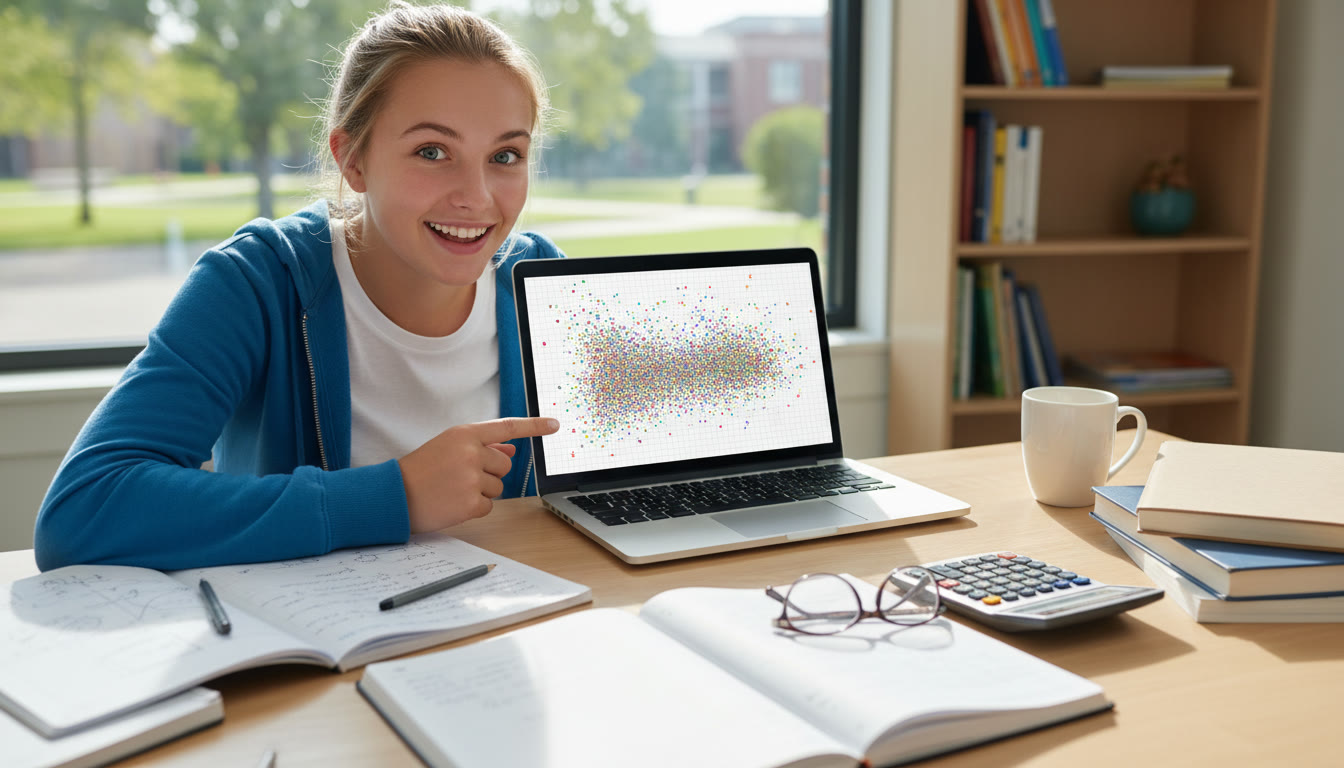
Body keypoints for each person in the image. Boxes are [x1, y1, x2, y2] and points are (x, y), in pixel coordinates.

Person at [34, 3, 563, 571]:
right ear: (353, 160)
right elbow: (83, 510)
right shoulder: (258, 282)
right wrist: (395, 497)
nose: (477, 197)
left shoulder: (538, 281)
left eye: (505, 156)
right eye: (431, 152)